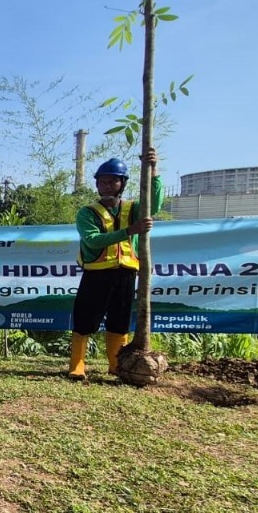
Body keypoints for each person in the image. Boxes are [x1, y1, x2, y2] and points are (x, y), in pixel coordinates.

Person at [68, 148, 163, 380]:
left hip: (126, 273)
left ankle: (115, 365)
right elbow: (92, 239)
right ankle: (77, 365)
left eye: (112, 181)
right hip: (97, 274)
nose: (107, 186)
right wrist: (130, 231)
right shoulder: (87, 213)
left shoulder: (133, 209)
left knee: (119, 321)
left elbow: (154, 203)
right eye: (103, 182)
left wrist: (153, 170)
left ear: (122, 183)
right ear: (97, 186)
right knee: (85, 319)